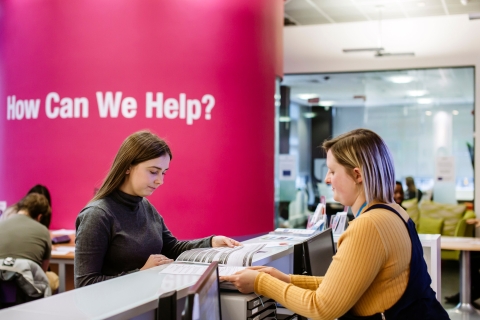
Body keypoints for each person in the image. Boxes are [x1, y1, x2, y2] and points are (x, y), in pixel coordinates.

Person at [222, 129, 448, 319]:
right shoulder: (394, 212)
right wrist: (286, 279)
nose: (327, 179)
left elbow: (322, 307)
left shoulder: (368, 225)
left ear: (357, 175)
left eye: (332, 171)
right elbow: (345, 285)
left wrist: (260, 282)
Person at [74, 131, 240, 288]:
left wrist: (211, 242)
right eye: (154, 172)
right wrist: (140, 274)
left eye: (164, 173)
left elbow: (172, 248)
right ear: (127, 167)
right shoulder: (97, 215)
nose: (160, 181)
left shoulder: (145, 206)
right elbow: (85, 284)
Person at [0, 193, 59, 292]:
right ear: (40, 217)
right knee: (53, 278)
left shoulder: (1, 224)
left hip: (1, 285)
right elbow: (42, 272)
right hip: (28, 288)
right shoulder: (43, 230)